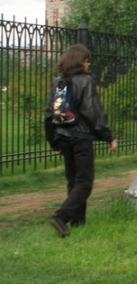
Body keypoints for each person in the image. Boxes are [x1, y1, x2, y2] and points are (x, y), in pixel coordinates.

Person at [45, 44, 117, 237]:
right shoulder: (86, 81)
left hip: (62, 136)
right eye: (86, 61)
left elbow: (49, 114)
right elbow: (92, 112)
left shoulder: (58, 83)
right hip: (81, 137)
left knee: (73, 181)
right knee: (84, 183)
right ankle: (61, 216)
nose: (88, 64)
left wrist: (54, 142)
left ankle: (78, 222)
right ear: (80, 62)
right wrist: (108, 136)